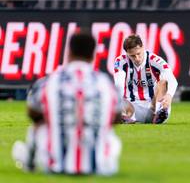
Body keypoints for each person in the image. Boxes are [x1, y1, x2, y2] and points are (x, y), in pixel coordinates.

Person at [12, 30, 122, 175]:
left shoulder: (49, 81)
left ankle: (31, 163)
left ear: (68, 52)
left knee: (37, 127)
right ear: (93, 54)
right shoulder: (106, 83)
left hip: (54, 165)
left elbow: (33, 113)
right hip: (103, 168)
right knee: (108, 132)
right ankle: (99, 157)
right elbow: (117, 117)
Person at [114, 34, 178, 124]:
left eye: (138, 54)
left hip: (153, 105)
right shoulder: (120, 61)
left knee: (163, 82)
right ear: (126, 53)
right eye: (132, 56)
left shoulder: (155, 60)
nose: (137, 58)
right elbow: (118, 83)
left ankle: (160, 113)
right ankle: (126, 117)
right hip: (132, 107)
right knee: (118, 99)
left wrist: (169, 95)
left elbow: (172, 79)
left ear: (143, 47)